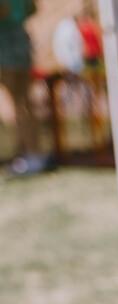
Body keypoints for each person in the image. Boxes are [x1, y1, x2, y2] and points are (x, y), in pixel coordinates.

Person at [0, 0, 50, 176]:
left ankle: (30, 154)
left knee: (19, 106)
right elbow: (32, 9)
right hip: (21, 51)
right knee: (23, 104)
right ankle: (29, 152)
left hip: (7, 55)